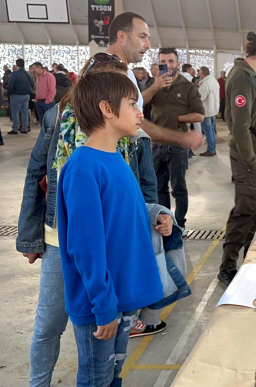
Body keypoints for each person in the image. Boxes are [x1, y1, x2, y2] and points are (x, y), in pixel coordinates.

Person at [56, 70, 164, 387]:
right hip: (100, 307)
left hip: (120, 299)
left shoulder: (117, 158)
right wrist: (103, 306)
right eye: (132, 105)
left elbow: (122, 216)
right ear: (106, 109)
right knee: (95, 381)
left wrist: (157, 216)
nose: (139, 113)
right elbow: (85, 246)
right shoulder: (83, 167)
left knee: (113, 374)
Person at [106, 12, 204, 338]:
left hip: (142, 156)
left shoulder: (130, 76)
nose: (149, 45)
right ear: (122, 36)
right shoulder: (113, 73)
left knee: (164, 210)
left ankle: (144, 310)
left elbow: (136, 119)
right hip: (134, 158)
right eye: (144, 37)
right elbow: (138, 119)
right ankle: (131, 315)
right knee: (145, 221)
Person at [218, 32, 256, 285]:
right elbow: (239, 127)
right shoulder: (242, 78)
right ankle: (228, 265)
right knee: (245, 210)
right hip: (248, 155)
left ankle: (249, 261)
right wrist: (251, 162)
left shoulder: (251, 77)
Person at [146, 47, 204, 229]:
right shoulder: (152, 85)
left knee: (178, 188)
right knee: (159, 187)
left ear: (178, 63)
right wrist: (155, 86)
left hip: (178, 145)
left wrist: (174, 119)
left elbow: (199, 116)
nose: (168, 66)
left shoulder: (187, 87)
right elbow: (138, 104)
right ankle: (164, 221)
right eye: (163, 62)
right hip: (156, 145)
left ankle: (180, 224)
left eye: (171, 61)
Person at [7, 58, 35, 135]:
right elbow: (32, 83)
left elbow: (10, 85)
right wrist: (29, 90)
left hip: (16, 95)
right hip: (26, 95)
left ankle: (15, 128)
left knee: (15, 112)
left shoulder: (15, 74)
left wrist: (10, 93)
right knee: (24, 112)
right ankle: (24, 128)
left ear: (16, 64)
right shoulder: (27, 73)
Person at [198, 66, 220, 156]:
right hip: (213, 109)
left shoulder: (206, 84)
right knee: (211, 131)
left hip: (207, 110)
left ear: (202, 73)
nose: (198, 74)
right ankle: (212, 148)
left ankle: (211, 150)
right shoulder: (214, 81)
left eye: (199, 72)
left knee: (208, 132)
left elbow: (200, 97)